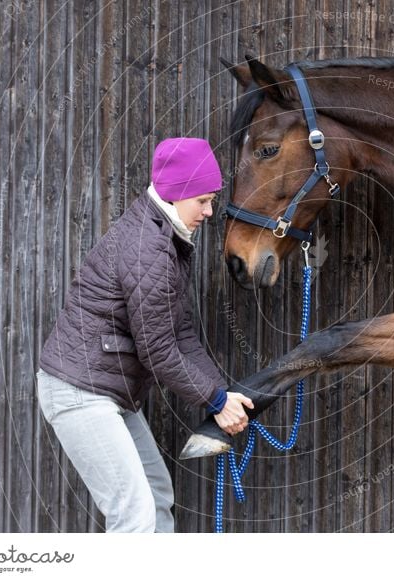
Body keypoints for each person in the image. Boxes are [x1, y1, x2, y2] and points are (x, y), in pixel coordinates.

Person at [36, 137, 253, 532]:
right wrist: (215, 399)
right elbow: (157, 351)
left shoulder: (165, 238)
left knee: (155, 496)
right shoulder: (148, 248)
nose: (208, 211)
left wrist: (220, 394)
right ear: (176, 194)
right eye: (202, 201)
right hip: (80, 392)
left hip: (108, 390)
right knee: (133, 515)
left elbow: (181, 333)